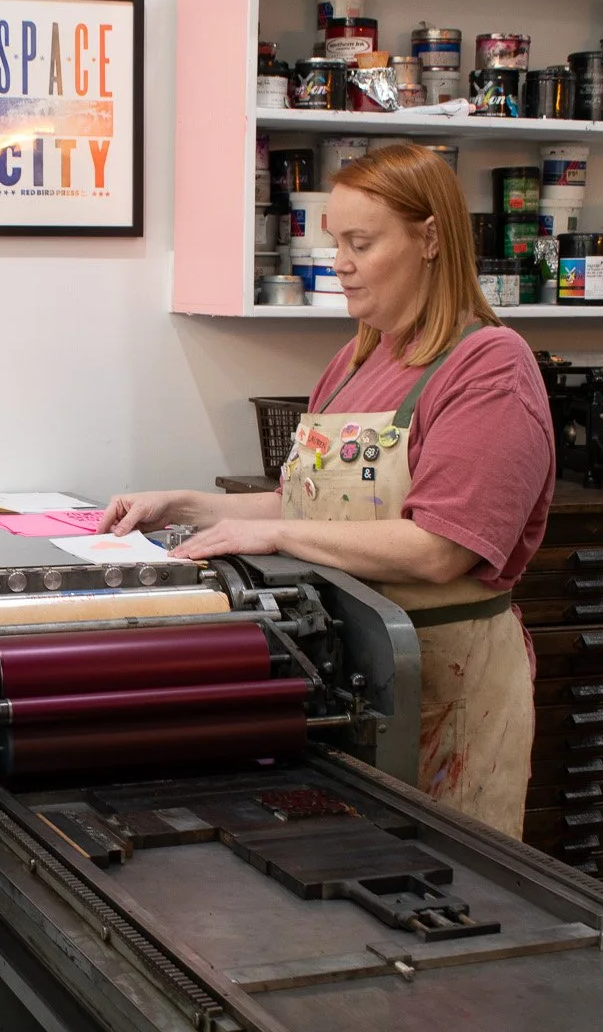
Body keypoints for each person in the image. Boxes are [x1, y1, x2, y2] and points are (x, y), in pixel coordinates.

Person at [101, 143, 556, 837]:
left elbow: (440, 549)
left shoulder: (488, 365)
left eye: (359, 242)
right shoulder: (356, 358)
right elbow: (312, 502)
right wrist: (185, 505)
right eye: (334, 242)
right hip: (351, 672)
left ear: (429, 238)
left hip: (443, 684)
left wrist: (274, 534)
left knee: (445, 880)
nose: (337, 261)